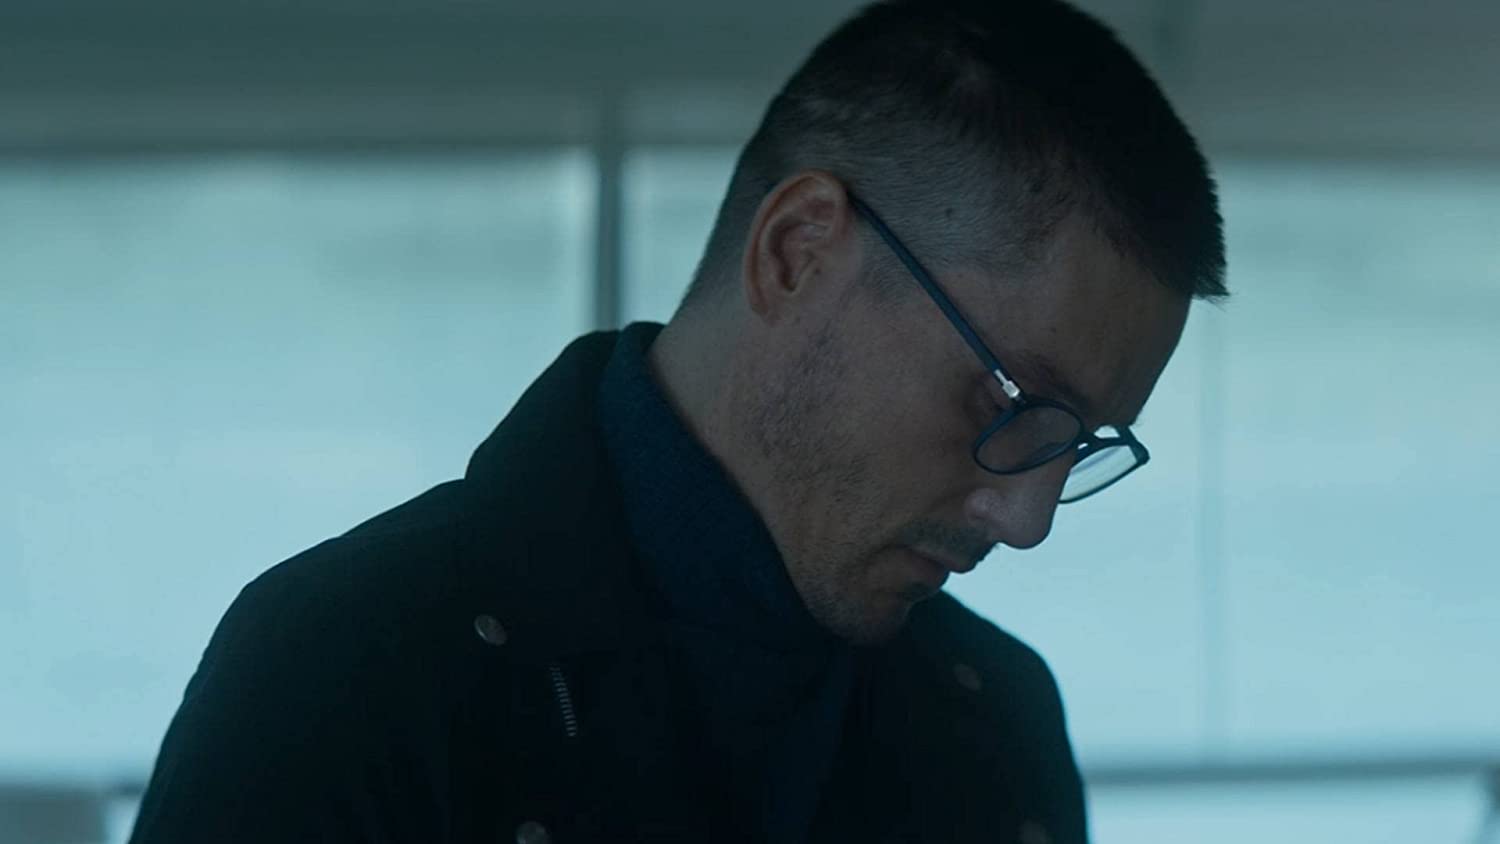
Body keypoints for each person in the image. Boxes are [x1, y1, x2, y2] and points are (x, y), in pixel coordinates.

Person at [128, 0, 1225, 841]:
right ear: (797, 253)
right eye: (1010, 402)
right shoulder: (343, 676)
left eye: (1077, 443)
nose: (1027, 521)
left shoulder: (998, 721)